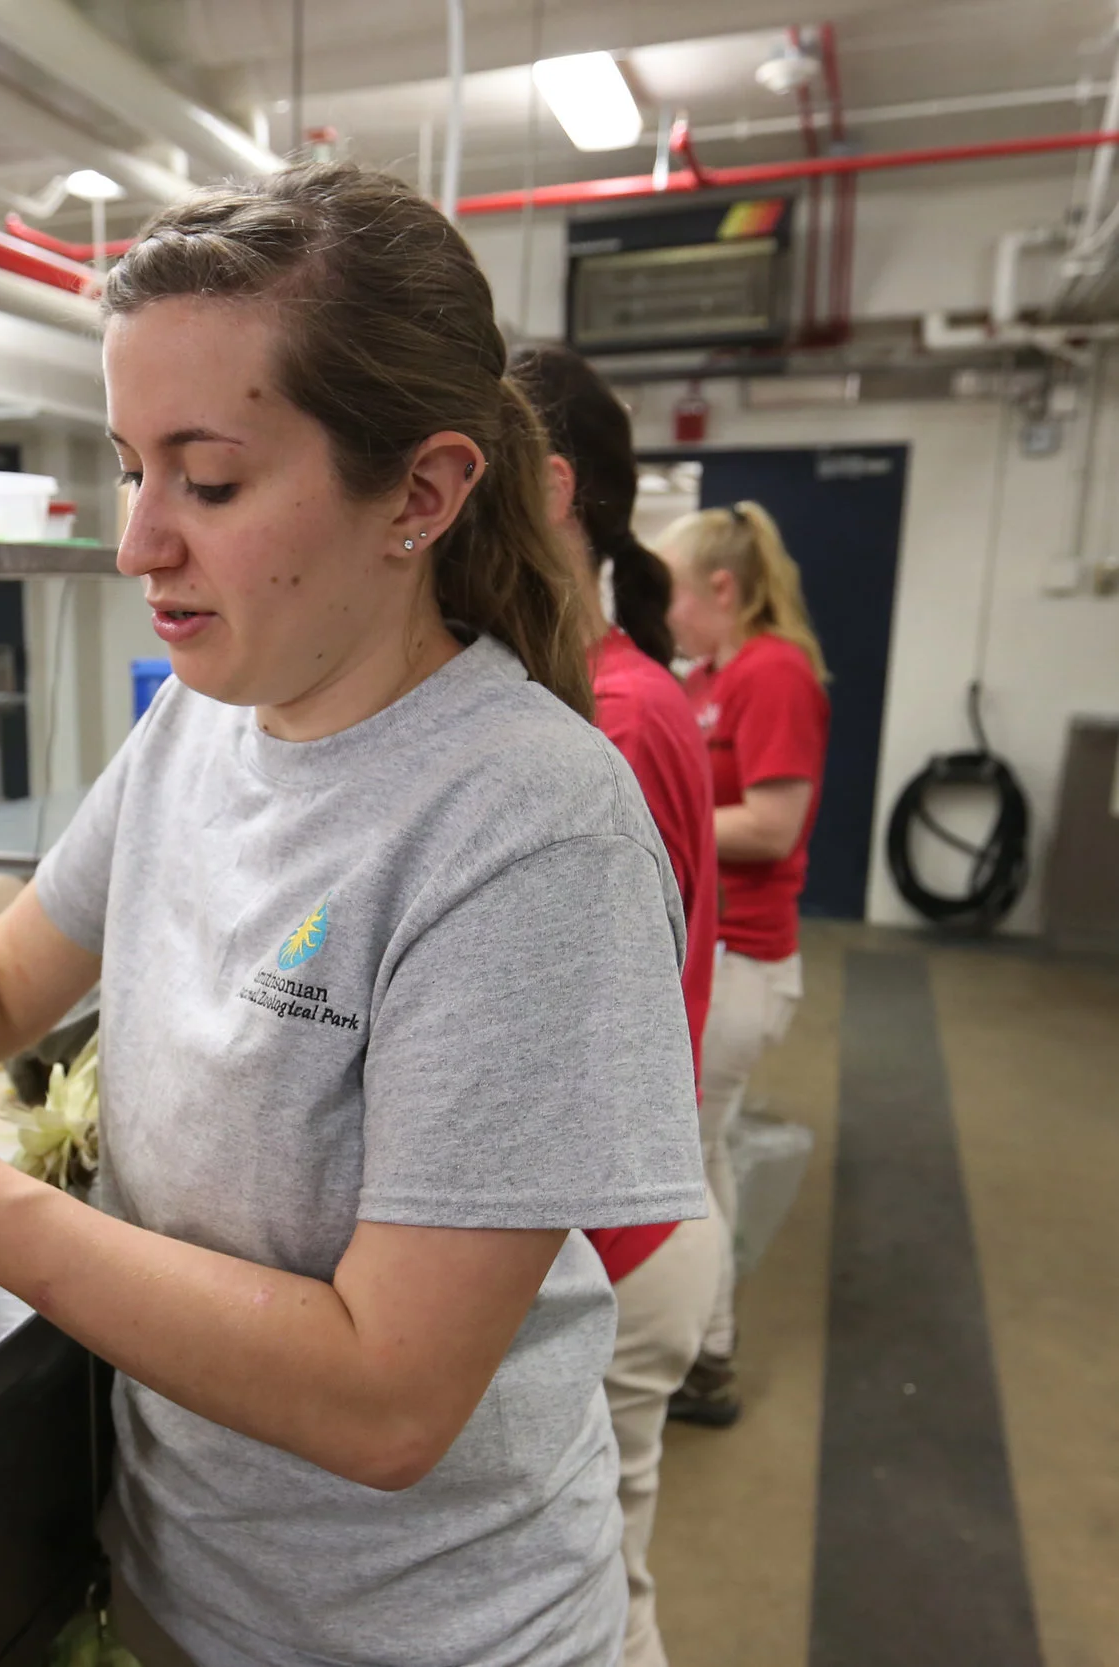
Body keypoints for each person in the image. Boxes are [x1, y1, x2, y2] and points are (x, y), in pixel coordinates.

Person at [0, 167, 705, 1667]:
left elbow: (389, 1394)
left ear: (421, 493)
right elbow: (4, 975)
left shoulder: (526, 820)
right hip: (187, 1589)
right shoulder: (200, 726)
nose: (139, 540)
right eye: (130, 467)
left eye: (208, 481)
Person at [514, 343, 722, 1667]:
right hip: (615, 1219)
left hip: (614, 1236)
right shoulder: (598, 686)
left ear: (544, 490)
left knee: (598, 1601)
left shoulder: (613, 714)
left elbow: (574, 1015)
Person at [658, 501, 831, 1427]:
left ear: (721, 588)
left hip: (742, 959)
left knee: (680, 1164)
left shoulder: (773, 673)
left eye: (676, 591)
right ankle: (708, 1346)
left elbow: (773, 825)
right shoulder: (710, 675)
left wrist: (651, 813)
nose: (667, 609)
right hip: (710, 951)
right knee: (704, 1155)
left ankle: (704, 1356)